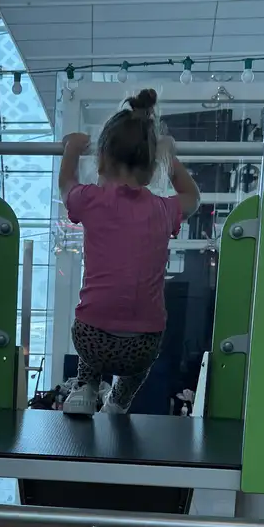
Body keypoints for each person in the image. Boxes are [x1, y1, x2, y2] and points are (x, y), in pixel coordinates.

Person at [57, 89, 201, 415]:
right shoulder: (163, 210)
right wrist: (170, 157)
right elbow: (192, 197)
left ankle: (85, 387)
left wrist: (71, 150)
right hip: (142, 347)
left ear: (101, 160)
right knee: (141, 356)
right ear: (151, 169)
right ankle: (119, 402)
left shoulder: (90, 200)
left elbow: (66, 185)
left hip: (91, 339)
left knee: (94, 312)